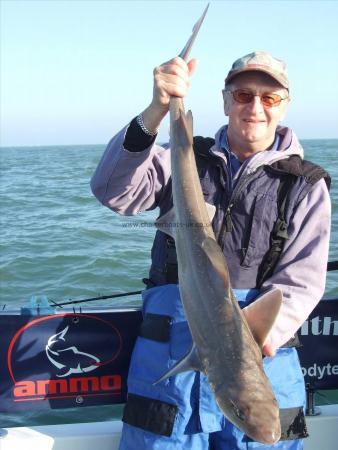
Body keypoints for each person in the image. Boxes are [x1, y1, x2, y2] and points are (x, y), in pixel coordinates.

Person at [91, 51, 331, 449]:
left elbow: (303, 281)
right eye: (243, 95)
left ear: (284, 105)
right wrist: (157, 111)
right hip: (171, 360)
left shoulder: (306, 185)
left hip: (264, 358)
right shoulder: (179, 158)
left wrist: (248, 346)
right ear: (224, 101)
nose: (255, 108)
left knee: (268, 435)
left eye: (269, 98)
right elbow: (111, 190)